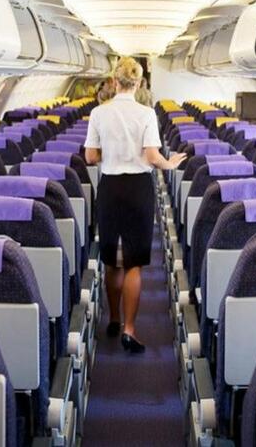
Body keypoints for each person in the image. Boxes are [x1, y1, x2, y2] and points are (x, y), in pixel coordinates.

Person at [84, 57, 186, 353]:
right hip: (138, 188)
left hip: (111, 187)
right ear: (139, 83)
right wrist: (169, 164)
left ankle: (114, 319)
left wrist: (112, 152)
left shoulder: (99, 113)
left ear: (114, 82)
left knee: (112, 260)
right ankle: (129, 329)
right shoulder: (146, 114)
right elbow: (152, 156)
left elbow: (90, 157)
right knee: (133, 262)